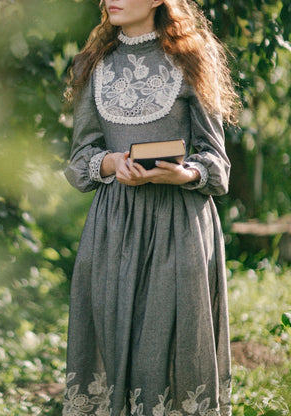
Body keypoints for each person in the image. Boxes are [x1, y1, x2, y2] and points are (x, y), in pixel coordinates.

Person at [63, 0, 239, 415]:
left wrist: (184, 174)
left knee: (174, 341)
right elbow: (79, 161)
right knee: (112, 337)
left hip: (179, 227)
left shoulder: (194, 55)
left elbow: (218, 164)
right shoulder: (93, 62)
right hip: (114, 228)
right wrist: (111, 162)